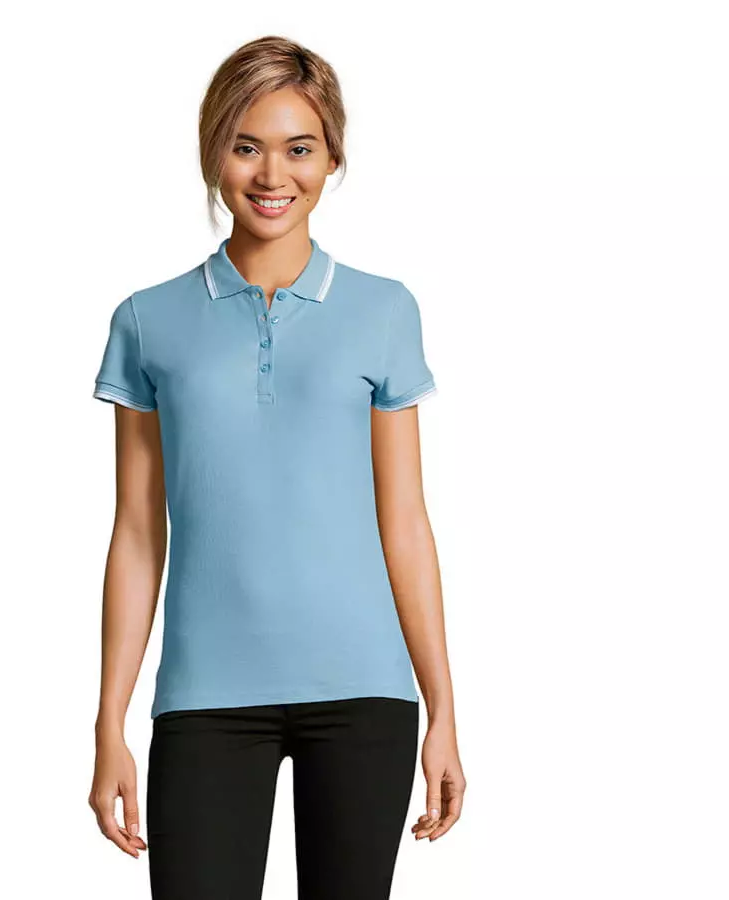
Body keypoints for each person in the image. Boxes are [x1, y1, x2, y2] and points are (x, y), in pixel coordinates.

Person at [87, 34, 465, 899]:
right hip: (205, 697)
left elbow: (405, 523)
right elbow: (138, 534)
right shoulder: (147, 321)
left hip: (365, 693)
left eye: (299, 149)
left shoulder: (383, 310)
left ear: (332, 158)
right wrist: (110, 721)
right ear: (213, 152)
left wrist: (443, 709)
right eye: (246, 145)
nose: (271, 175)